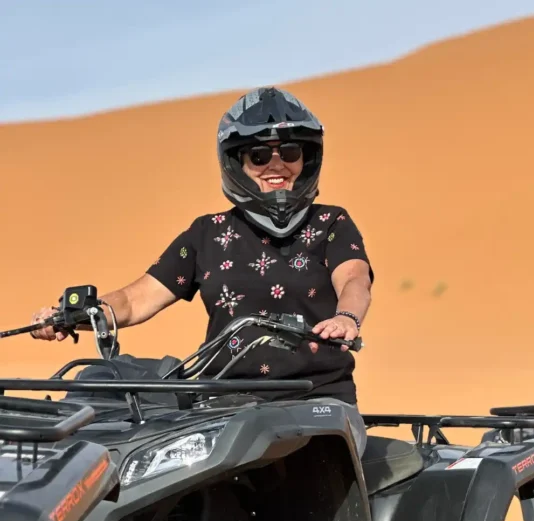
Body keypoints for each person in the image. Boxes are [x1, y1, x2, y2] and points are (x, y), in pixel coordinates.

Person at [28, 87, 373, 452]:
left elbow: (354, 277)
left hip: (317, 403)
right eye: (259, 155)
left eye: (290, 152)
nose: (277, 165)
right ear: (237, 163)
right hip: (225, 405)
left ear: (307, 159)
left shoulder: (331, 222)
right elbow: (136, 298)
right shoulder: (207, 233)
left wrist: (347, 317)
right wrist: (74, 316)